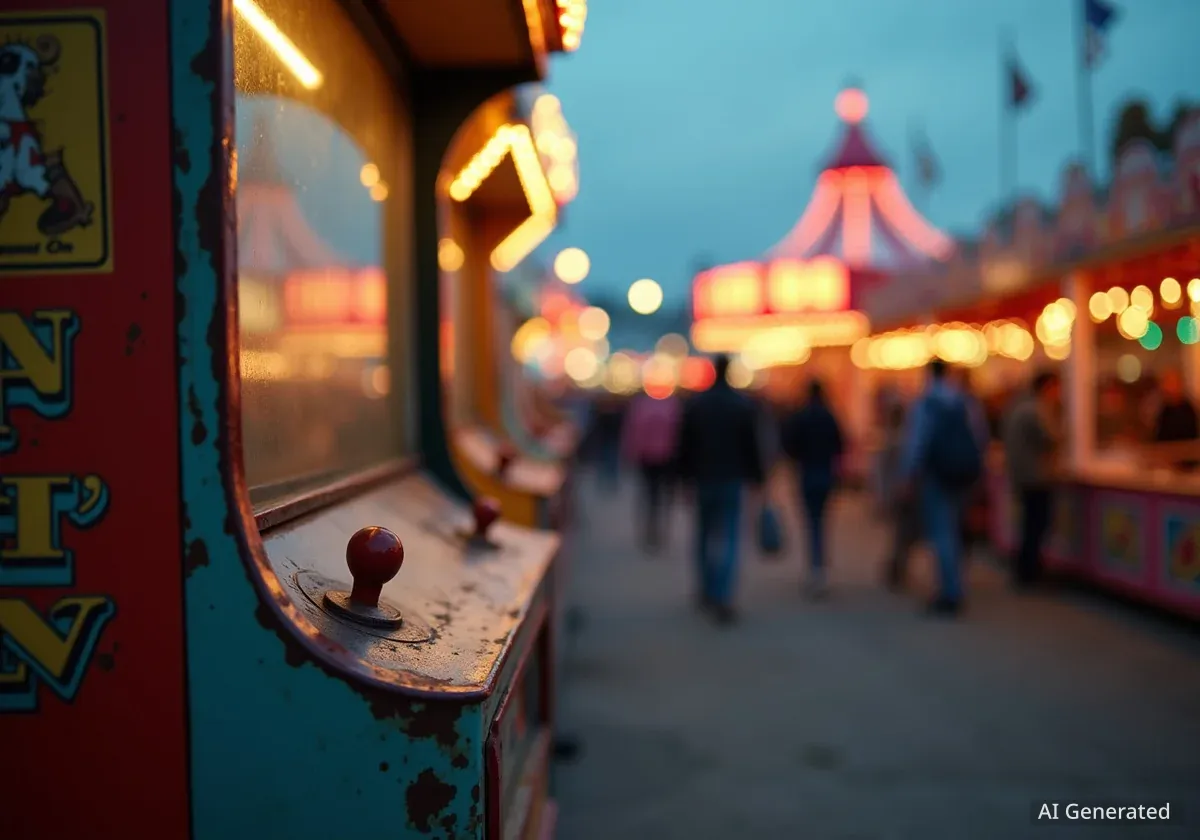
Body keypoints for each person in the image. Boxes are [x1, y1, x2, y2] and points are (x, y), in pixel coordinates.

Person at [676, 354, 765, 624]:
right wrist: (757, 479)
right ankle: (723, 594)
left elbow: (685, 446)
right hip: (732, 480)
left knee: (703, 535)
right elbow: (752, 447)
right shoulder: (742, 405)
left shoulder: (697, 404)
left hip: (703, 478)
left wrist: (684, 480)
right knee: (729, 538)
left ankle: (706, 589)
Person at [899, 360, 989, 616]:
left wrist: (908, 476)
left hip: (936, 475)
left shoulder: (925, 403)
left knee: (942, 531)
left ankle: (949, 591)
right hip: (963, 474)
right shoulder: (964, 401)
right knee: (957, 529)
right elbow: (980, 437)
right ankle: (955, 583)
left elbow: (916, 443)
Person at [780, 380, 845, 597]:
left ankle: (815, 569)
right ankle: (820, 568)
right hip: (826, 473)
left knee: (812, 522)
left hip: (807, 473)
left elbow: (789, 445)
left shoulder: (801, 416)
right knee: (822, 521)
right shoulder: (829, 415)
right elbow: (841, 444)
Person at [1001, 371, 1061, 589]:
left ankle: (1025, 569)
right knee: (1036, 525)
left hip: (1023, 476)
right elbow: (1051, 438)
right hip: (1036, 477)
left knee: (1028, 524)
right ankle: (1029, 570)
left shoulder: (1018, 406)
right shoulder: (1036, 409)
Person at [620, 388, 683, 550]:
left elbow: (633, 432)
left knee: (649, 495)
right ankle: (660, 532)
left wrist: (631, 453)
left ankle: (650, 531)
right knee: (663, 497)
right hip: (666, 457)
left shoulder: (641, 405)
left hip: (647, 457)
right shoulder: (672, 405)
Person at [879, 401, 920, 589]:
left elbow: (883, 473)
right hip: (903, 492)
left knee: (899, 535)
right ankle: (897, 569)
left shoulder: (892, 440)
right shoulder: (907, 439)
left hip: (898, 492)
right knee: (901, 535)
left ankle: (896, 569)